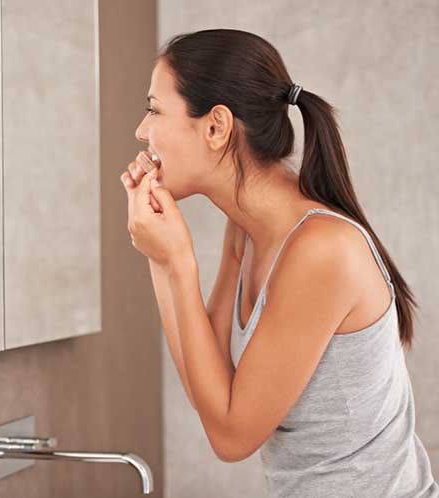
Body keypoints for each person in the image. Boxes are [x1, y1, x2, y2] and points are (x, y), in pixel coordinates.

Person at [121, 29, 437, 497]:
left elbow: (231, 438)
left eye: (154, 109)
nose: (141, 131)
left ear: (216, 126)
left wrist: (179, 262)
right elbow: (210, 393)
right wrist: (161, 260)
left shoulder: (320, 250)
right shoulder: (248, 230)